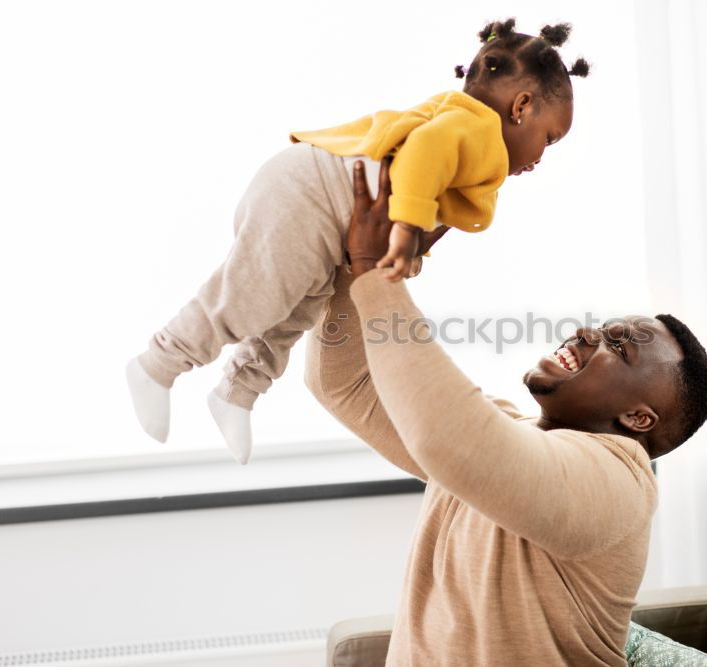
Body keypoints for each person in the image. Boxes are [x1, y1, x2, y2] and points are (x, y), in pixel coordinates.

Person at [305, 158, 707, 666]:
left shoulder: (620, 484)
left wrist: (379, 272)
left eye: (619, 345)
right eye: (603, 325)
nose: (588, 333)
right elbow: (345, 384)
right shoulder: (508, 433)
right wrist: (353, 268)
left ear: (639, 419)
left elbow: (451, 438)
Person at [124, 18, 589, 464]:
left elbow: (428, 182)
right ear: (521, 106)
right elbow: (423, 157)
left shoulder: (467, 131)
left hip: (323, 211)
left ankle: (237, 393)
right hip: (311, 195)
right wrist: (407, 233)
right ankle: (159, 363)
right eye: (548, 139)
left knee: (296, 311)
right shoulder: (476, 129)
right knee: (249, 298)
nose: (541, 158)